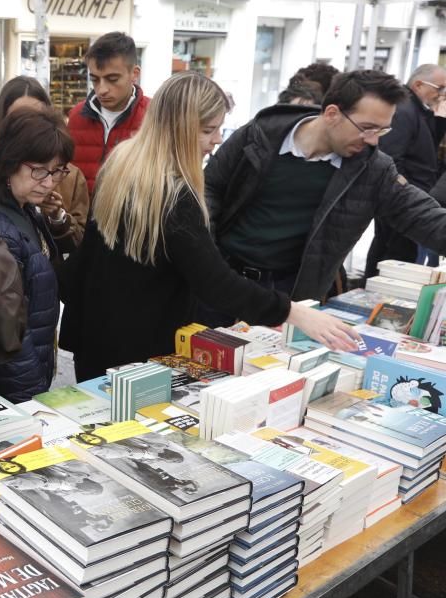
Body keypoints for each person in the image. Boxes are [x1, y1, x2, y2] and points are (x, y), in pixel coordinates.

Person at [59, 72, 358, 381]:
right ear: (179, 130)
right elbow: (215, 282)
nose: (216, 140)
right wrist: (292, 311)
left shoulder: (123, 161)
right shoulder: (174, 193)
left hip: (98, 334)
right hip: (142, 348)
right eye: (207, 130)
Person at [202, 69, 446, 317]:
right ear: (332, 114)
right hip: (221, 279)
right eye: (367, 128)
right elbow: (208, 189)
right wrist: (205, 255)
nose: (373, 141)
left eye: (381, 131)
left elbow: (422, 216)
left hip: (289, 294)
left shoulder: (374, 169)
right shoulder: (258, 134)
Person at [0, 108, 74, 401]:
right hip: (12, 386)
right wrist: (31, 396)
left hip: (27, 366)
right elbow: (6, 331)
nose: (49, 182)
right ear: (10, 161)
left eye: (58, 170)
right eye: (39, 170)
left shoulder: (20, 205)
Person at [0, 76, 89, 246]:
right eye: (18, 118)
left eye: (37, 116)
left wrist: (57, 218)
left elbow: (79, 243)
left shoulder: (68, 175)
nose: (30, 126)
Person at [365, 64, 446, 271]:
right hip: (401, 199)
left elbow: (425, 150)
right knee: (393, 257)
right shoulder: (404, 110)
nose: (442, 94)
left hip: (411, 197)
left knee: (396, 255)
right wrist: (401, 194)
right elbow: (392, 157)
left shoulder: (419, 110)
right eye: (439, 88)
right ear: (419, 84)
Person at [68, 32, 149, 194]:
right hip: (80, 217)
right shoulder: (77, 116)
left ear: (134, 74)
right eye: (95, 80)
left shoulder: (154, 116)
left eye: (112, 79)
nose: (102, 90)